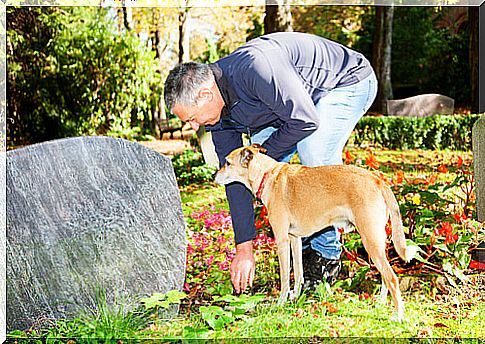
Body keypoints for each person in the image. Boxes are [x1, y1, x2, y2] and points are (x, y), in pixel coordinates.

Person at [164, 32, 378, 293]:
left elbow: (305, 120)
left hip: (346, 82)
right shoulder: (218, 121)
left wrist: (260, 160)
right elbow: (236, 179)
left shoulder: (255, 69)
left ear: (207, 94)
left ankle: (326, 256)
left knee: (313, 149)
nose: (194, 126)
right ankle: (303, 237)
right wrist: (244, 249)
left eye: (192, 118)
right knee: (256, 169)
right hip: (287, 110)